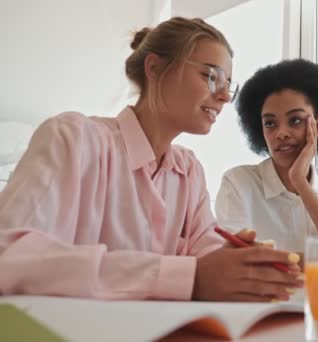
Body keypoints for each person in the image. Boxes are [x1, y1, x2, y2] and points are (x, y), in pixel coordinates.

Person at [0, 17, 302, 302]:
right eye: (211, 76)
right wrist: (186, 276)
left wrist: (236, 260)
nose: (224, 96)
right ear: (155, 68)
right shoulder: (72, 138)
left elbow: (203, 251)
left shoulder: (188, 170)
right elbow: (9, 257)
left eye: (228, 86)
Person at [215, 59, 318, 254]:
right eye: (270, 123)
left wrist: (300, 183)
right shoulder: (238, 183)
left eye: (295, 120)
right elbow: (236, 261)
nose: (281, 133)